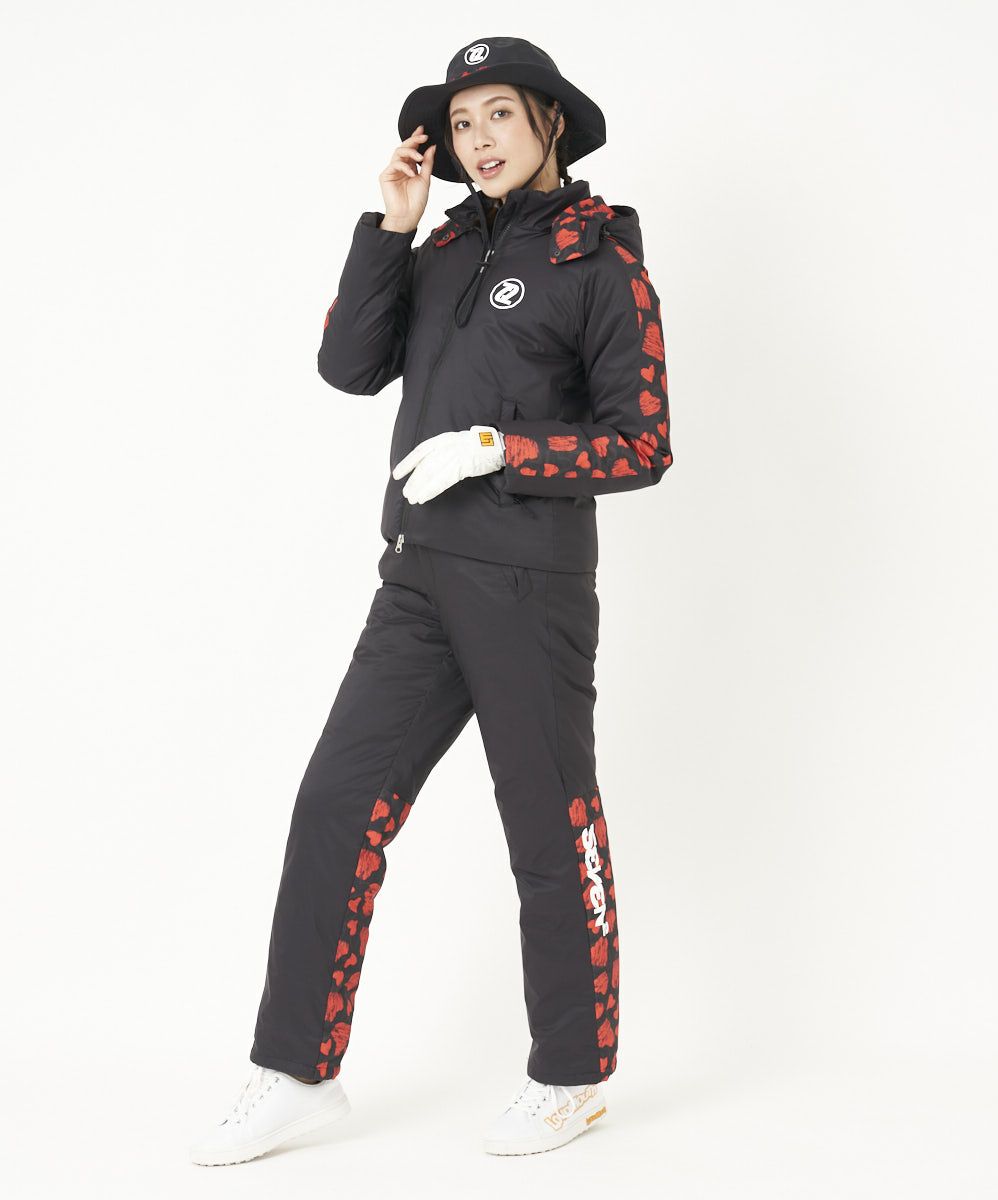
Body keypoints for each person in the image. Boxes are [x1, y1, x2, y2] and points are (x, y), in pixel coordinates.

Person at [189, 35, 672, 1167]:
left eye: (499, 114)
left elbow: (644, 443)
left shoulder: (601, 262)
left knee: (549, 828)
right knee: (335, 803)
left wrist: (504, 449)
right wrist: (392, 227)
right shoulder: (443, 248)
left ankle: (572, 1078)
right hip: (416, 578)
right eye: (461, 123)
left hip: (529, 587)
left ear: (549, 122)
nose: (479, 139)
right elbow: (349, 367)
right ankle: (298, 1070)